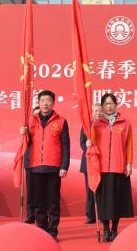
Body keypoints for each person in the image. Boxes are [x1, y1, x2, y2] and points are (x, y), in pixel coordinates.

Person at [21, 91, 69, 240]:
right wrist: (24, 134)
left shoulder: (61, 121)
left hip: (54, 167)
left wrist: (64, 166)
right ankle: (42, 231)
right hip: (36, 167)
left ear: (53, 103)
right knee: (39, 202)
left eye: (48, 100)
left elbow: (66, 145)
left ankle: (53, 231)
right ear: (39, 102)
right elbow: (27, 144)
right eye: (42, 100)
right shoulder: (31, 120)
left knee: (53, 201)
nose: (45, 103)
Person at [90, 93, 135, 241]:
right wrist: (89, 143)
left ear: (116, 105)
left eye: (111, 103)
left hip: (118, 167)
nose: (108, 106)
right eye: (106, 103)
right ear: (102, 106)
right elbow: (92, 144)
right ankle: (105, 229)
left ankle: (114, 229)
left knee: (117, 201)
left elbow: (129, 144)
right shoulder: (96, 124)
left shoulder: (125, 123)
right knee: (103, 202)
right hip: (101, 168)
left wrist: (129, 163)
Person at [80, 103, 102, 225]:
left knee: (101, 189)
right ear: (92, 113)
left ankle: (102, 214)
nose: (98, 113)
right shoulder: (86, 126)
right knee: (90, 190)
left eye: (100, 111)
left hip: (102, 162)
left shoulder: (105, 126)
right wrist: (87, 146)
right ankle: (90, 215)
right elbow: (82, 142)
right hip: (89, 161)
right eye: (96, 111)